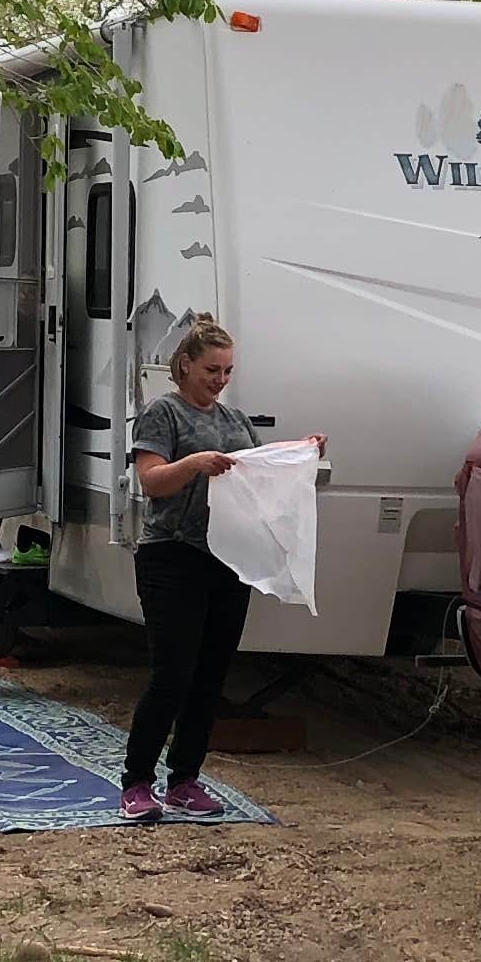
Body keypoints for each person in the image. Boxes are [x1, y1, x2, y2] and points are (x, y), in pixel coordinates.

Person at [121, 316, 314, 821]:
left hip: (227, 560)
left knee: (210, 676)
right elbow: (152, 481)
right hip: (172, 554)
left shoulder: (234, 420)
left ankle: (185, 779)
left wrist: (301, 453)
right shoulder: (163, 414)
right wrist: (193, 464)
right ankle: (136, 781)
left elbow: (256, 474)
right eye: (212, 369)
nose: (220, 379)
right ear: (184, 365)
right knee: (172, 674)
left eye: (227, 371)